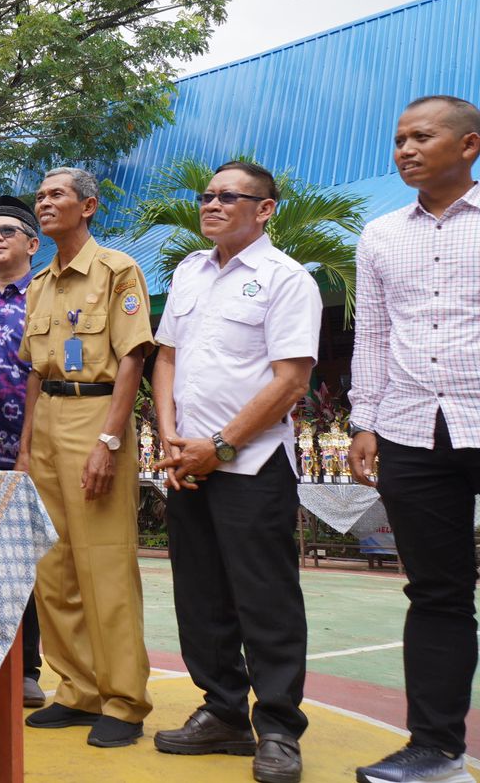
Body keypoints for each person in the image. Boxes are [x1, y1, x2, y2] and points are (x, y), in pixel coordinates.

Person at [151, 161, 320, 783]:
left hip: (250, 464)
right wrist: (168, 433)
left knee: (265, 599)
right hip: (186, 458)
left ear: (266, 208)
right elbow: (165, 358)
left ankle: (277, 728)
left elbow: (291, 381)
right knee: (200, 595)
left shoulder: (286, 280)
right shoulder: (189, 272)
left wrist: (218, 446)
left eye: (229, 196)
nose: (213, 204)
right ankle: (221, 711)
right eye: (208, 196)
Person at [348, 96, 480, 783]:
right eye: (398, 138)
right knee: (436, 593)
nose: (405, 149)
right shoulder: (379, 235)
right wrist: (365, 419)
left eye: (421, 136)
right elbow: (371, 334)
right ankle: (435, 751)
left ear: (469, 146)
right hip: (410, 431)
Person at [15, 167, 155, 748]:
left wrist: (110, 440)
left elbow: (133, 358)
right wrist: (24, 447)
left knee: (103, 560)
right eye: (41, 196)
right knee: (55, 563)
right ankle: (77, 690)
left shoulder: (117, 270)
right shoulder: (39, 282)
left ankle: (123, 699)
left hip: (96, 418)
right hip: (47, 419)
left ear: (88, 205)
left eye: (57, 196)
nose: (45, 204)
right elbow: (33, 372)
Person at [0, 195, 48, 707]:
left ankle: (26, 667)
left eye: (7, 230)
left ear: (32, 244)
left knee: (24, 561)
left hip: (31, 447)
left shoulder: (45, 295)